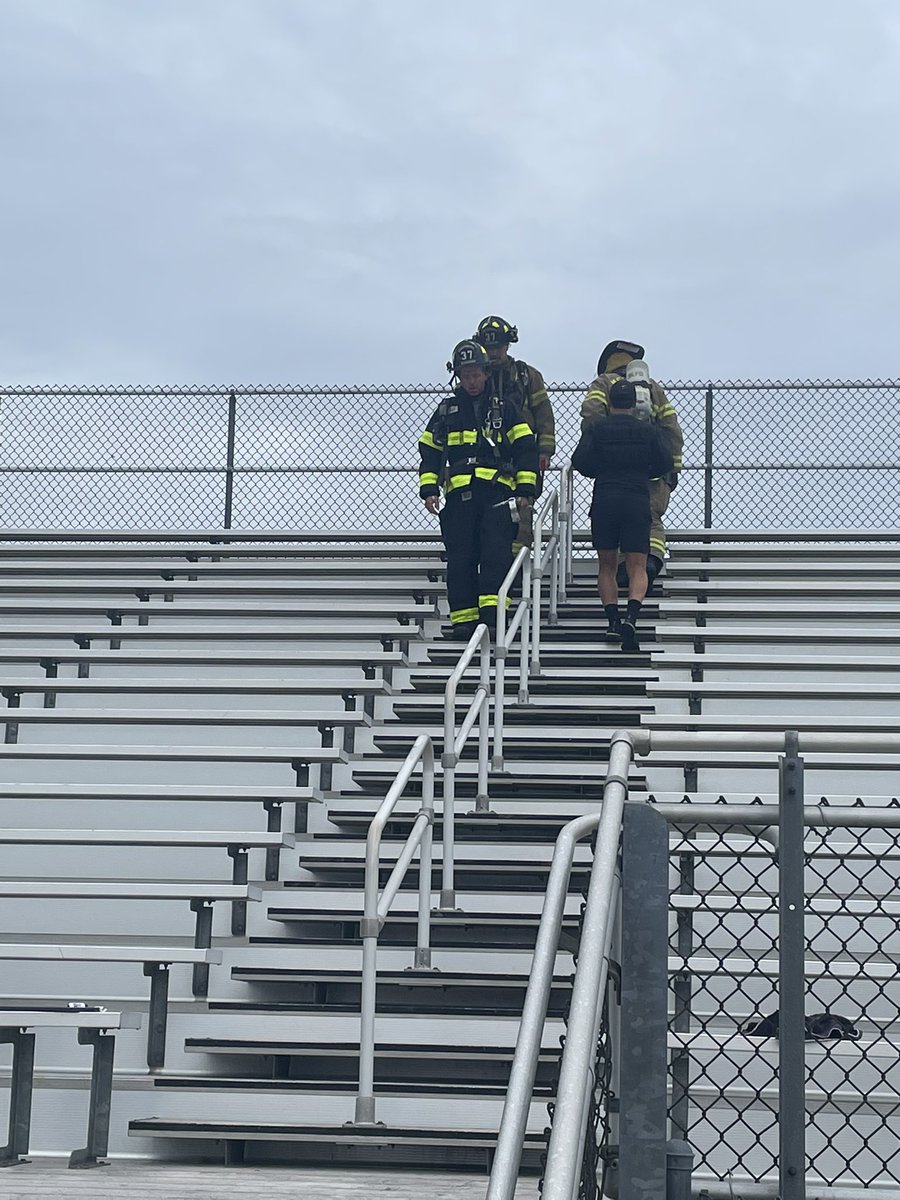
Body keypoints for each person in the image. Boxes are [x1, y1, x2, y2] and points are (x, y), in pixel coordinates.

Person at [418, 339, 538, 640]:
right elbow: (430, 450)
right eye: (464, 375)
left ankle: (493, 618)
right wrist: (429, 487)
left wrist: (525, 488)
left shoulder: (505, 408)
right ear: (457, 376)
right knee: (461, 559)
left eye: (475, 374)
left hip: (497, 496)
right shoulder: (446, 410)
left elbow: (525, 448)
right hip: (459, 498)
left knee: (496, 556)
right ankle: (463, 622)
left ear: (486, 373)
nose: (470, 381)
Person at [571, 378, 674, 651]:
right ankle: (632, 617)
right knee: (637, 565)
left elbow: (580, 461)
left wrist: (599, 471)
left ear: (611, 402)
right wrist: (644, 471)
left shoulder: (597, 428)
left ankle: (612, 621)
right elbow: (665, 462)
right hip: (637, 499)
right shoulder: (647, 431)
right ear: (634, 403)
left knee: (606, 565)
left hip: (605, 498)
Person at [580, 340, 683, 588]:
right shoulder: (653, 388)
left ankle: (627, 567)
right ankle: (652, 559)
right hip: (655, 467)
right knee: (651, 518)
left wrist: (600, 450)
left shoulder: (603, 383)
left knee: (619, 521)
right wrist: (673, 468)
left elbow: (591, 416)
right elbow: (672, 428)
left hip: (615, 473)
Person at [473, 316, 555, 553]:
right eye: (488, 348)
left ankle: (519, 565)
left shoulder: (527, 376)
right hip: (486, 459)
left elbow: (544, 415)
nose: (493, 353)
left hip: (522, 456)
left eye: (497, 347)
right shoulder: (475, 379)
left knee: (522, 508)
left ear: (507, 345)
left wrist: (545, 451)